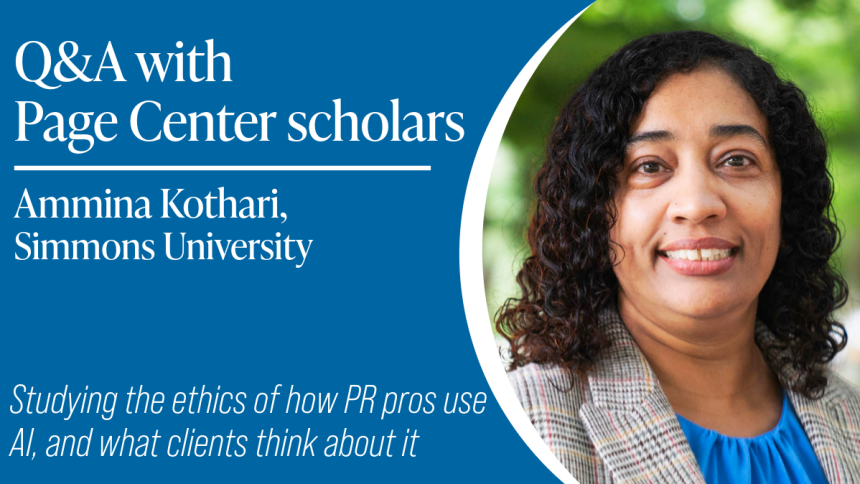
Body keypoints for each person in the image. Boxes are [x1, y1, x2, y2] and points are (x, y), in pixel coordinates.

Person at [497, 30, 860, 484]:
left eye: (736, 160)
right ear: (595, 211)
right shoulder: (521, 419)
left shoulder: (851, 416)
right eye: (649, 166)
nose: (697, 202)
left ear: (787, 199)